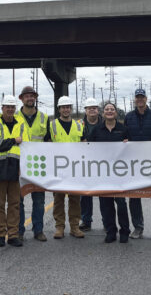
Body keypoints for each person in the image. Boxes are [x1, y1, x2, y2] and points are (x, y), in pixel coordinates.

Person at [0, 95, 30, 248]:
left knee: (14, 204)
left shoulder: (21, 124)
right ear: (2, 108)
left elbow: (26, 146)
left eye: (12, 107)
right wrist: (14, 141)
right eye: (7, 107)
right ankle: (0, 235)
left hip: (15, 169)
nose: (10, 109)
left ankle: (12, 234)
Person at [86, 102, 131, 243]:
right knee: (106, 205)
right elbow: (88, 148)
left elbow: (132, 149)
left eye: (112, 109)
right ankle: (111, 231)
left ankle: (124, 231)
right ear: (103, 113)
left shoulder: (123, 129)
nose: (110, 111)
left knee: (121, 204)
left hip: (119, 174)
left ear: (116, 113)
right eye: (107, 109)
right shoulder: (97, 130)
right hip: (102, 173)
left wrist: (128, 143)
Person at [123, 88, 151, 239]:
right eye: (137, 97)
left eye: (142, 97)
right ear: (135, 99)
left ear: (146, 99)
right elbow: (125, 136)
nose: (140, 100)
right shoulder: (128, 117)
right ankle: (138, 227)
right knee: (134, 196)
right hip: (134, 163)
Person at [17, 86, 49, 242]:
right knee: (19, 199)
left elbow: (49, 141)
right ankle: (19, 231)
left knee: (39, 199)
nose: (30, 98)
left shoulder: (44, 117)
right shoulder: (14, 117)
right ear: (21, 99)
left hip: (38, 165)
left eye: (33, 96)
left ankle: (38, 230)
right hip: (20, 165)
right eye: (27, 96)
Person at [50, 95, 85, 239]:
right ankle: (59, 227)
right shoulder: (52, 125)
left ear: (71, 109)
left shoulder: (79, 125)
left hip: (75, 168)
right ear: (59, 109)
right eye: (63, 107)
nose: (66, 109)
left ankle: (74, 226)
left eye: (68, 107)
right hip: (58, 168)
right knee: (58, 199)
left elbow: (85, 143)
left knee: (75, 199)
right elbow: (46, 144)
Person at [78, 97, 103, 232]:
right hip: (85, 163)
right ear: (85, 111)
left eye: (94, 107)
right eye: (89, 108)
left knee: (104, 194)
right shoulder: (79, 125)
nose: (92, 110)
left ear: (98, 110)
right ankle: (86, 220)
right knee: (85, 194)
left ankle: (107, 221)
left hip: (102, 163)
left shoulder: (106, 123)